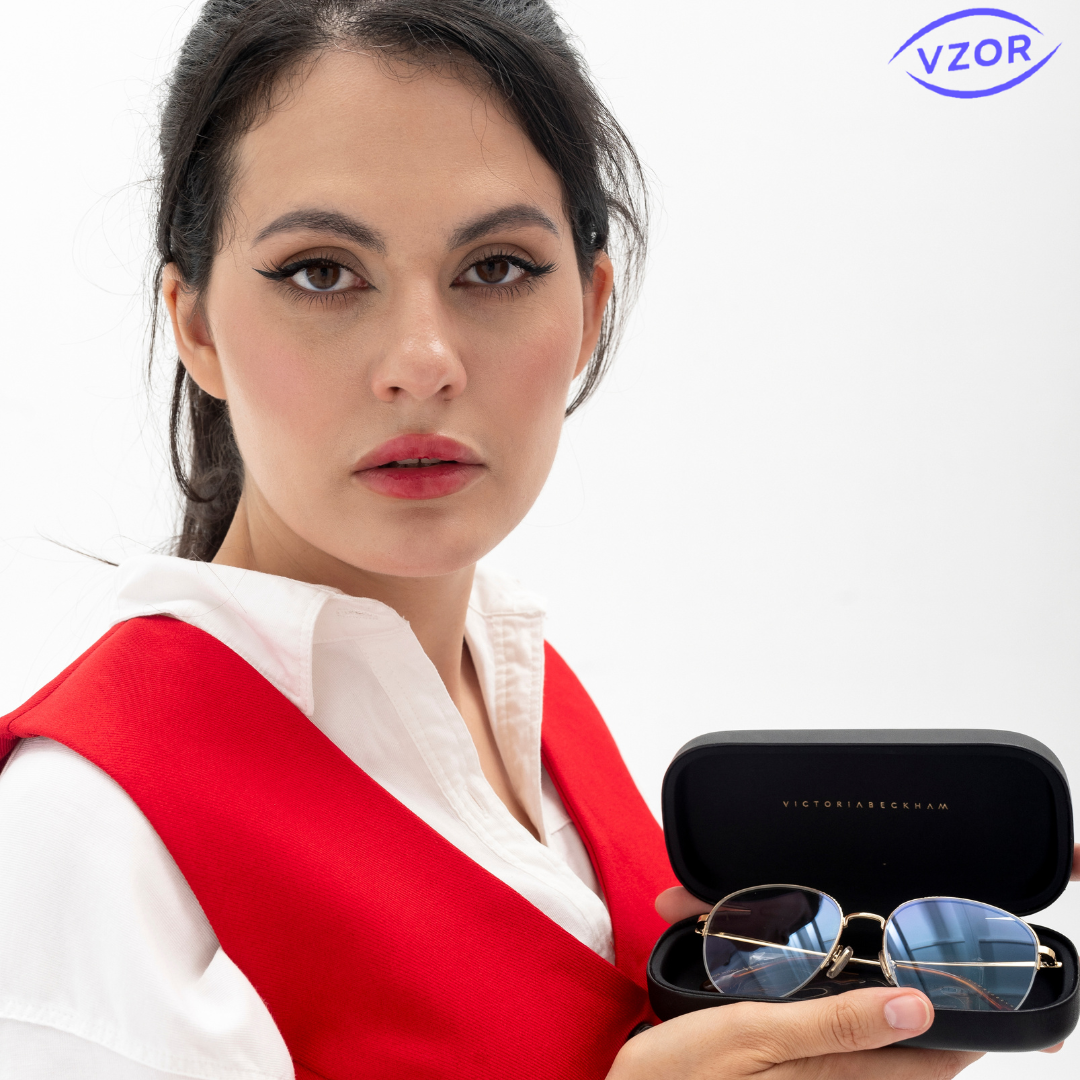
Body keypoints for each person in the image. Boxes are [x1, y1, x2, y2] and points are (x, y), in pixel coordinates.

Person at [0, 2, 1073, 1077]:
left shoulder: (528, 691)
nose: (422, 362)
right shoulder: (80, 842)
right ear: (193, 323)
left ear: (592, 305)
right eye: (322, 271)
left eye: (496, 267)